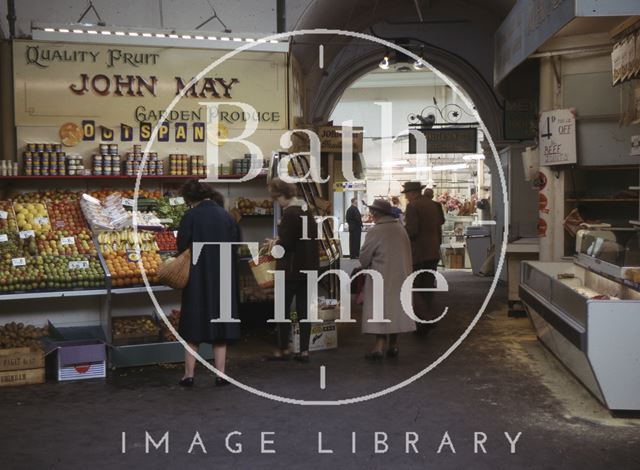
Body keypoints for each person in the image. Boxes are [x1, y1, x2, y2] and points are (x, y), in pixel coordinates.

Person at [176, 180, 241, 387]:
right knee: (220, 327)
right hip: (223, 276)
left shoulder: (191, 216)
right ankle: (221, 374)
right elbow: (236, 245)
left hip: (198, 276)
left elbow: (181, 244)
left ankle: (189, 375)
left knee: (193, 324)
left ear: (190, 199)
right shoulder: (227, 216)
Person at [266, 178, 319, 363]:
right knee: (304, 311)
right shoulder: (307, 211)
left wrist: (274, 244)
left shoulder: (290, 214)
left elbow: (286, 244)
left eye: (276, 197)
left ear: (283, 196)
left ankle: (283, 349)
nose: (276, 201)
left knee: (282, 310)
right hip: (310, 268)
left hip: (290, 270)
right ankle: (304, 351)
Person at [359, 199, 416, 359]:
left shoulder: (376, 231)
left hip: (381, 276)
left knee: (381, 311)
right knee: (395, 310)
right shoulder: (400, 229)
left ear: (376, 214)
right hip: (401, 276)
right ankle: (394, 345)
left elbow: (364, 257)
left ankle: (379, 346)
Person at [402, 181, 445, 335]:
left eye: (406, 194)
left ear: (412, 193)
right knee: (427, 286)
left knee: (414, 287)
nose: (406, 197)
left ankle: (425, 318)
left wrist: (401, 232)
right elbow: (441, 223)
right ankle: (426, 319)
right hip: (433, 251)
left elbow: (412, 231)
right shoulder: (434, 205)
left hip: (419, 252)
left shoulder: (413, 206)